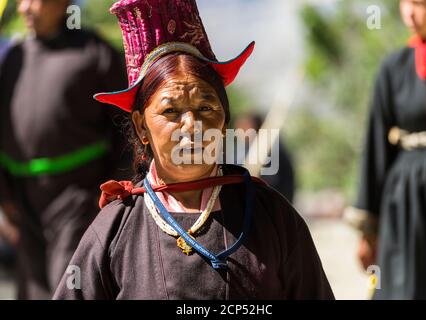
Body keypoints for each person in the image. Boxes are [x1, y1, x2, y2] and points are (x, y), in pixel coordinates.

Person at [53, 0, 334, 300]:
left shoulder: (273, 218)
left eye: (205, 106)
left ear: (224, 119)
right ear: (141, 127)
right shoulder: (113, 231)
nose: (192, 125)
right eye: (171, 110)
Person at [0, 0, 131, 299]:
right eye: (21, 0)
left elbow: (128, 133)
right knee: (32, 291)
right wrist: (5, 195)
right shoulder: (13, 58)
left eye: (36, 1)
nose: (24, 9)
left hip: (77, 197)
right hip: (23, 200)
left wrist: (113, 196)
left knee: (70, 286)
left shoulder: (96, 55)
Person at [344, 0, 426, 299]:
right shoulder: (395, 68)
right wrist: (368, 230)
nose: (408, 12)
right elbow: (376, 149)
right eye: (404, 2)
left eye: (418, 3)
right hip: (408, 206)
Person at [234, 112, 296, 203]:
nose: (237, 132)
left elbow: (272, 182)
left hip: (273, 203)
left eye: (242, 127)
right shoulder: (248, 149)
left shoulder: (270, 149)